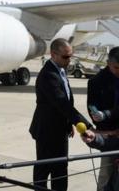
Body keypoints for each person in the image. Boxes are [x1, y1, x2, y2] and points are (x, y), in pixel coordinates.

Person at [29, 38, 92, 191]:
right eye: (65, 57)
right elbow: (62, 103)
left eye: (71, 56)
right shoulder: (48, 75)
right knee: (43, 170)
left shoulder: (61, 70)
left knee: (61, 169)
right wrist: (86, 125)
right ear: (53, 54)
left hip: (60, 130)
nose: (69, 60)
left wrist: (68, 123)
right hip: (46, 130)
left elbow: (66, 102)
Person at [87, 46, 119, 191]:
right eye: (116, 67)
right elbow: (92, 105)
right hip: (108, 134)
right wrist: (97, 115)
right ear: (108, 63)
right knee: (106, 173)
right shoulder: (96, 82)